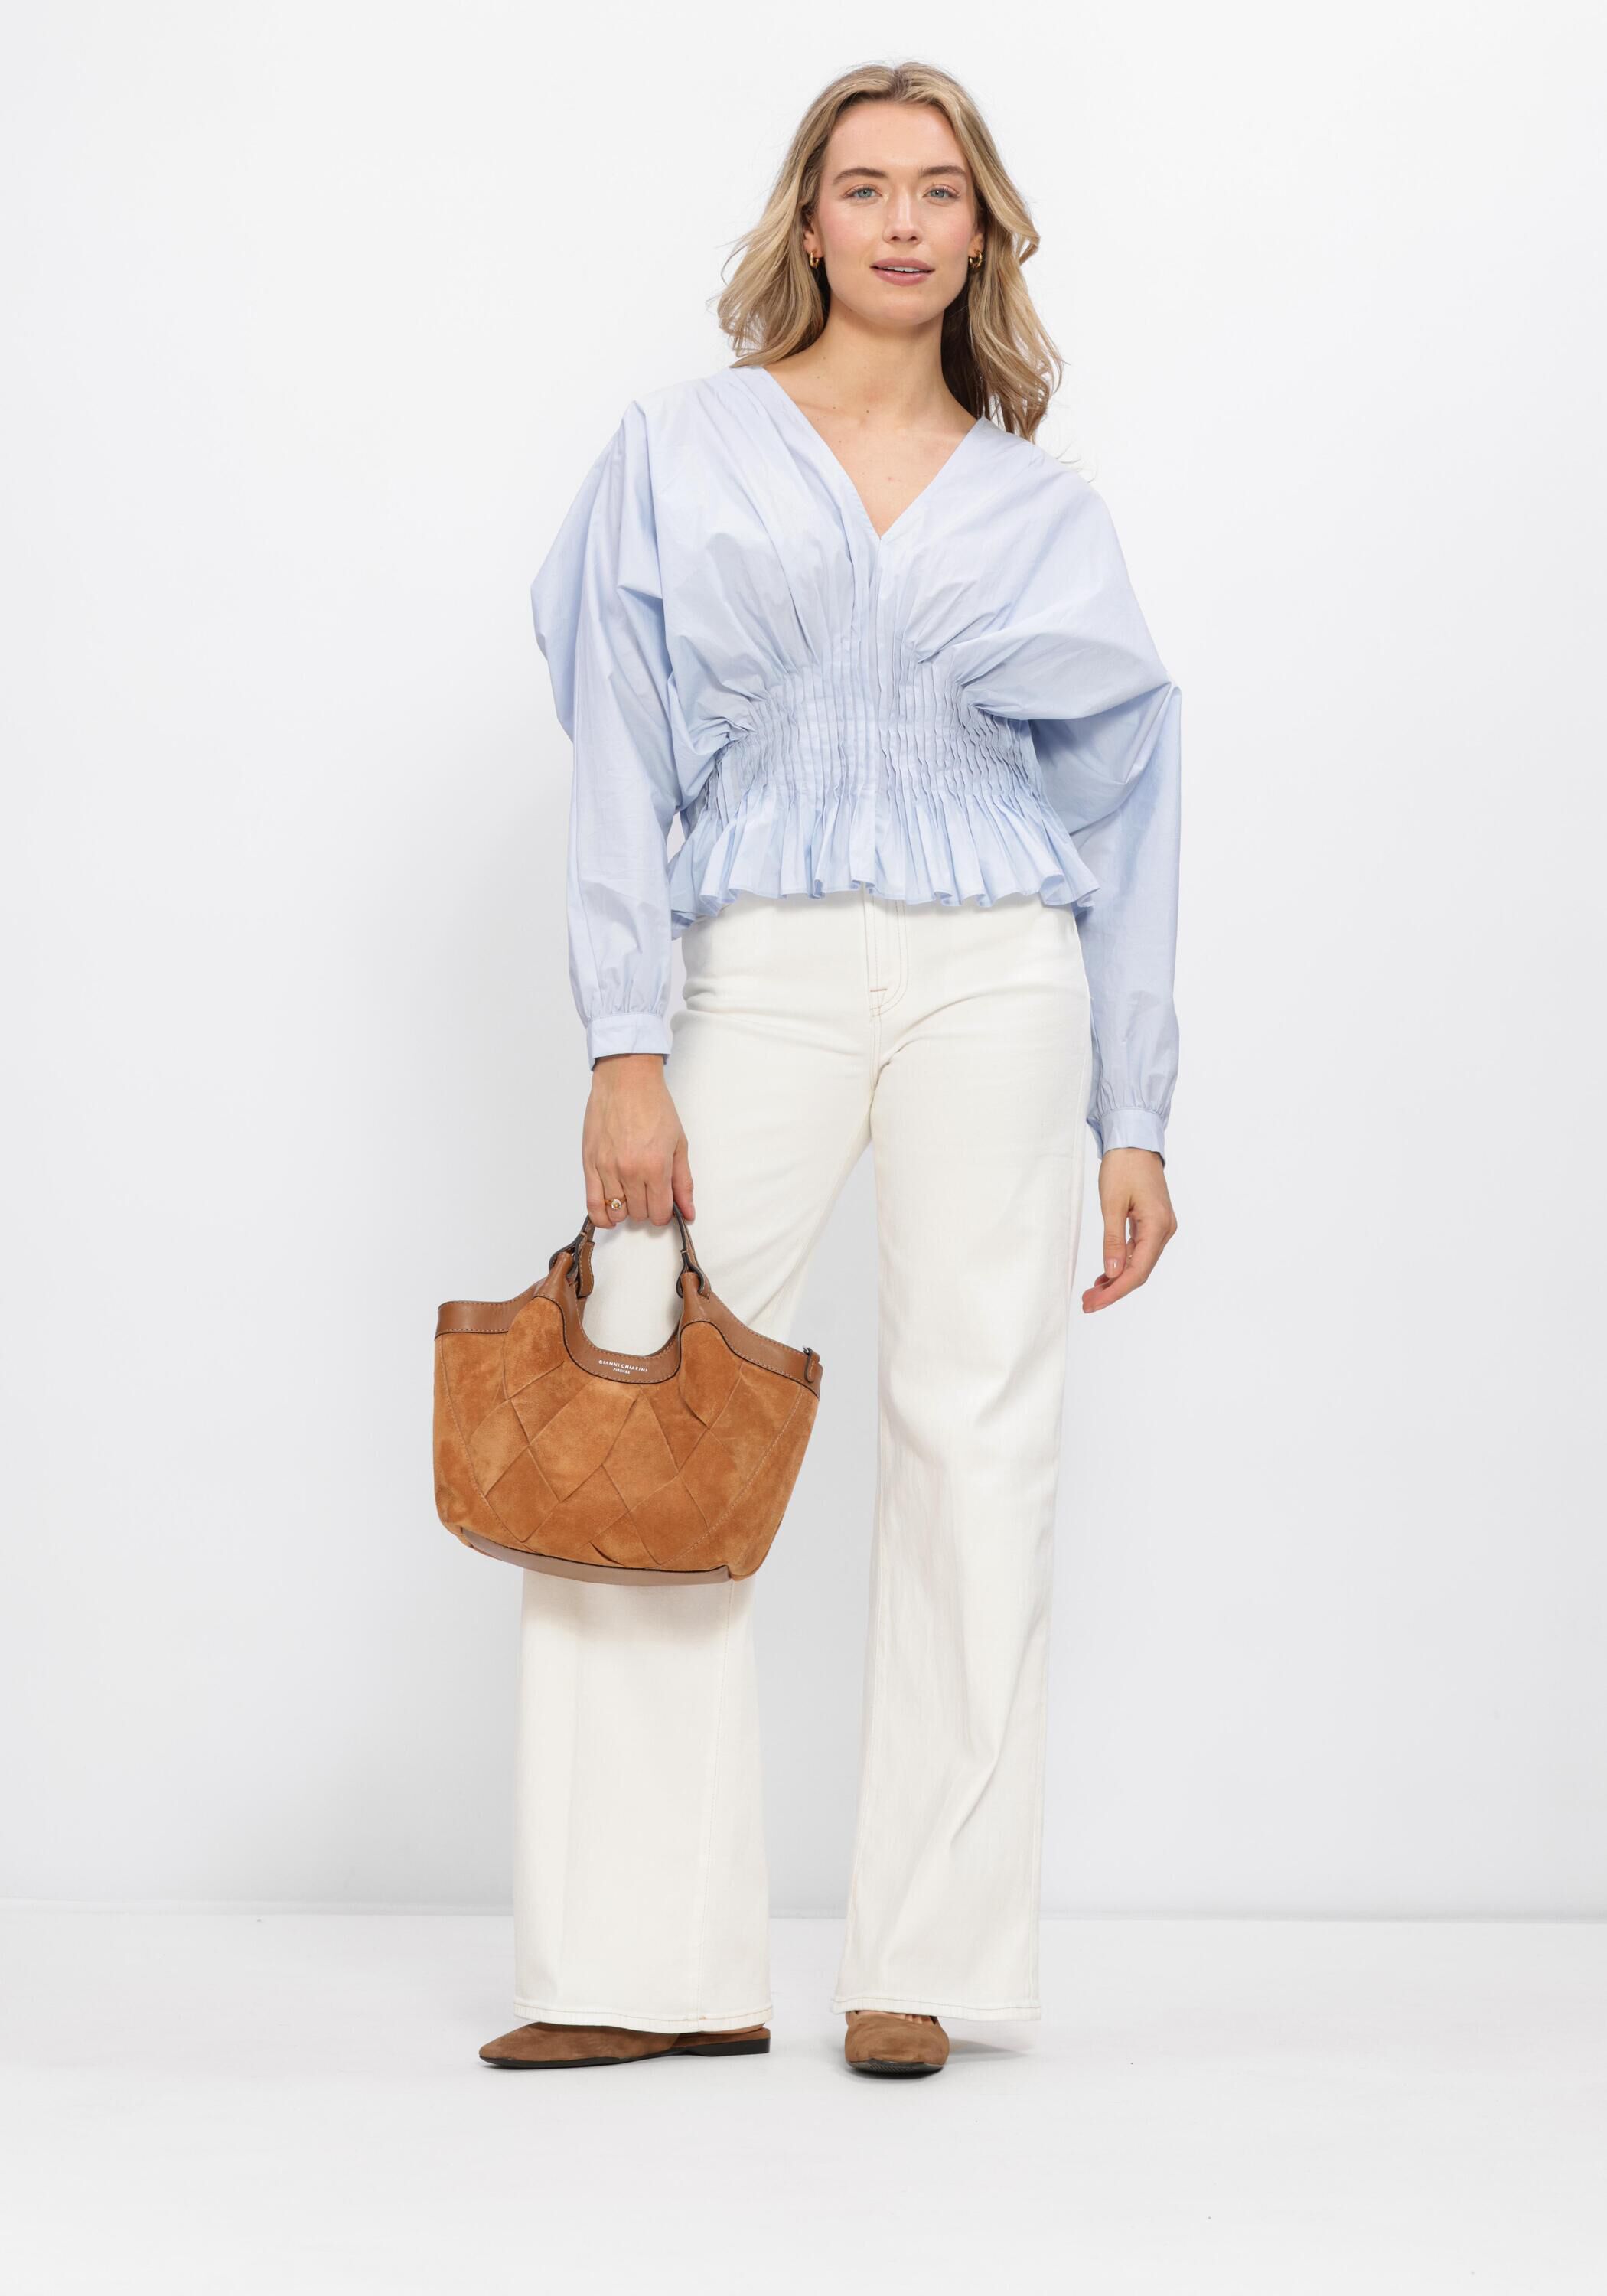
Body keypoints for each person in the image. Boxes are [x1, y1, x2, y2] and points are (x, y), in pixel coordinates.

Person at [478, 58, 1181, 2080]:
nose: (900, 222)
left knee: (978, 1437)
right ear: (807, 221)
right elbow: (619, 749)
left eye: (937, 191)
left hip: (999, 975)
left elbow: (1130, 800)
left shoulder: (1042, 504)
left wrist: (1133, 1113)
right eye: (863, 187)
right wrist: (626, 1042)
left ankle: (921, 1959)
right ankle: (636, 1966)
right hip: (758, 962)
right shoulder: (678, 447)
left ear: (980, 233)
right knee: (644, 1401)